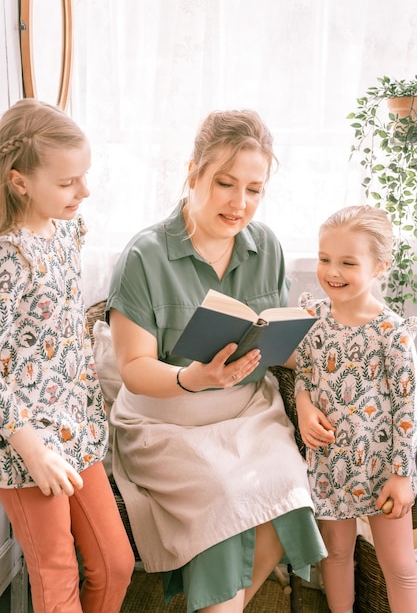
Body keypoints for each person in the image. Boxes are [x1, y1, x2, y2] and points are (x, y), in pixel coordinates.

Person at [106, 108, 327, 613]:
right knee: (226, 494)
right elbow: (135, 369)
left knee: (292, 488)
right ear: (193, 171)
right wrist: (191, 377)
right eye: (226, 183)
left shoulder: (265, 244)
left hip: (249, 413)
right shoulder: (145, 255)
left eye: (254, 189)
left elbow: (272, 336)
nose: (240, 203)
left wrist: (309, 366)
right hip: (166, 421)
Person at [0, 99, 134, 613]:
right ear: (20, 182)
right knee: (58, 580)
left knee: (115, 563)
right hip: (27, 441)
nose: (84, 191)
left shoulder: (68, 232)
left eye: (85, 176)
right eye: (67, 182)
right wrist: (31, 447)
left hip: (74, 428)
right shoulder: (11, 259)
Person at [294, 204, 417, 613]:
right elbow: (306, 377)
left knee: (399, 566)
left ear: (379, 266)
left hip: (383, 467)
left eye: (348, 262)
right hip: (330, 462)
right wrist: (304, 406)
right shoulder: (312, 317)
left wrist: (402, 475)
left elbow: (406, 409)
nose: (332, 271)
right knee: (336, 553)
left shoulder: (392, 333)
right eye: (325, 259)